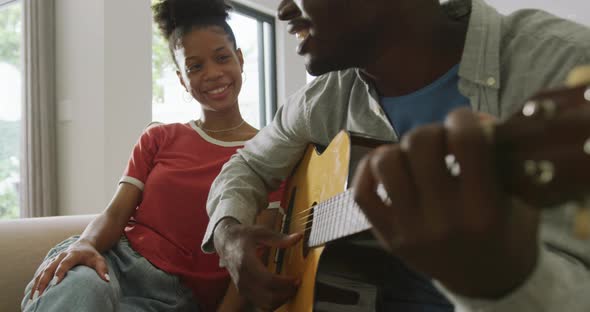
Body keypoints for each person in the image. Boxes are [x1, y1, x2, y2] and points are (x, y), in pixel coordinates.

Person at [203, 0, 590, 311]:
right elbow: (248, 164)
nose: (284, 8)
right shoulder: (323, 98)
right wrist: (228, 232)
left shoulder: (569, 65)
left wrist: (505, 278)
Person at [21, 0, 282, 311]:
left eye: (222, 58)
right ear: (182, 79)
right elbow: (115, 215)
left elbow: (254, 256)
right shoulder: (159, 137)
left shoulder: (270, 154)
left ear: (240, 59)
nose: (212, 73)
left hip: (175, 300)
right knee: (81, 289)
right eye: (195, 66)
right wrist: (86, 244)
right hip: (114, 262)